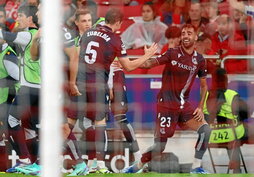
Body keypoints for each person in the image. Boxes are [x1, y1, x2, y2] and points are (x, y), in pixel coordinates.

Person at [123, 24, 211, 174]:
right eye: (183, 33)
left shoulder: (200, 60)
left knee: (205, 130)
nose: (185, 36)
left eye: (189, 33)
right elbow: (149, 64)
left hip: (184, 105)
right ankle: (137, 166)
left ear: (196, 37)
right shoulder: (172, 53)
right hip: (166, 105)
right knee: (159, 147)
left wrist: (200, 106)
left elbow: (204, 86)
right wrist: (146, 56)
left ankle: (196, 167)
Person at [77, 8, 157, 174]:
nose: (87, 23)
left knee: (119, 116)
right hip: (100, 78)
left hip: (113, 74)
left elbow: (119, 63)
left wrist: (111, 84)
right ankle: (94, 162)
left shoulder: (90, 33)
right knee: (89, 121)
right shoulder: (100, 35)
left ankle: (138, 157)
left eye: (88, 20)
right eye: (84, 21)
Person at [0, 5, 41, 174]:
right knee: (36, 126)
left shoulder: (27, 35)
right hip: (40, 86)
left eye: (21, 15)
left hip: (30, 86)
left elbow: (5, 35)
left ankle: (27, 160)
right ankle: (36, 162)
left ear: (31, 19)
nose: (18, 19)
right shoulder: (39, 35)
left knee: (13, 120)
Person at [203, 67, 248, 173]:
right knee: (236, 133)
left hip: (211, 137)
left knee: (231, 133)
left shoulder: (205, 96)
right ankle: (236, 168)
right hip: (232, 137)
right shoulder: (232, 95)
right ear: (226, 79)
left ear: (213, 80)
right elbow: (245, 114)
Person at [0, 37, 19, 171]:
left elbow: (16, 76)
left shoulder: (8, 53)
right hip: (2, 99)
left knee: (10, 131)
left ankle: (25, 159)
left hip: (9, 99)